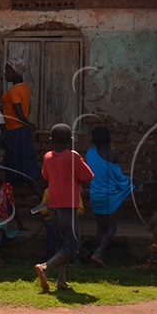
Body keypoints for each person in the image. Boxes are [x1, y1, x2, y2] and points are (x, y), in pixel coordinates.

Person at [36, 123, 94, 293]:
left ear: (51, 141)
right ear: (71, 140)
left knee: (61, 242)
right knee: (73, 244)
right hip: (68, 206)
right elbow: (88, 175)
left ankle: (61, 280)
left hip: (52, 206)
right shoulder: (73, 156)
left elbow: (45, 176)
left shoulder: (47, 157)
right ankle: (46, 267)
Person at [86, 125, 133, 267]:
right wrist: (130, 182)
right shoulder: (112, 154)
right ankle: (98, 253)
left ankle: (100, 255)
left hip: (95, 195)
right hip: (109, 196)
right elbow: (117, 176)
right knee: (111, 228)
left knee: (100, 227)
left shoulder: (90, 153)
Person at [1, 60, 37, 192]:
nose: (5, 74)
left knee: (15, 169)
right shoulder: (25, 87)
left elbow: (19, 113)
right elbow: (28, 107)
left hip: (15, 131)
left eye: (8, 71)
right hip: (20, 131)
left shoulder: (14, 91)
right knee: (21, 169)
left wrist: (28, 124)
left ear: (16, 73)